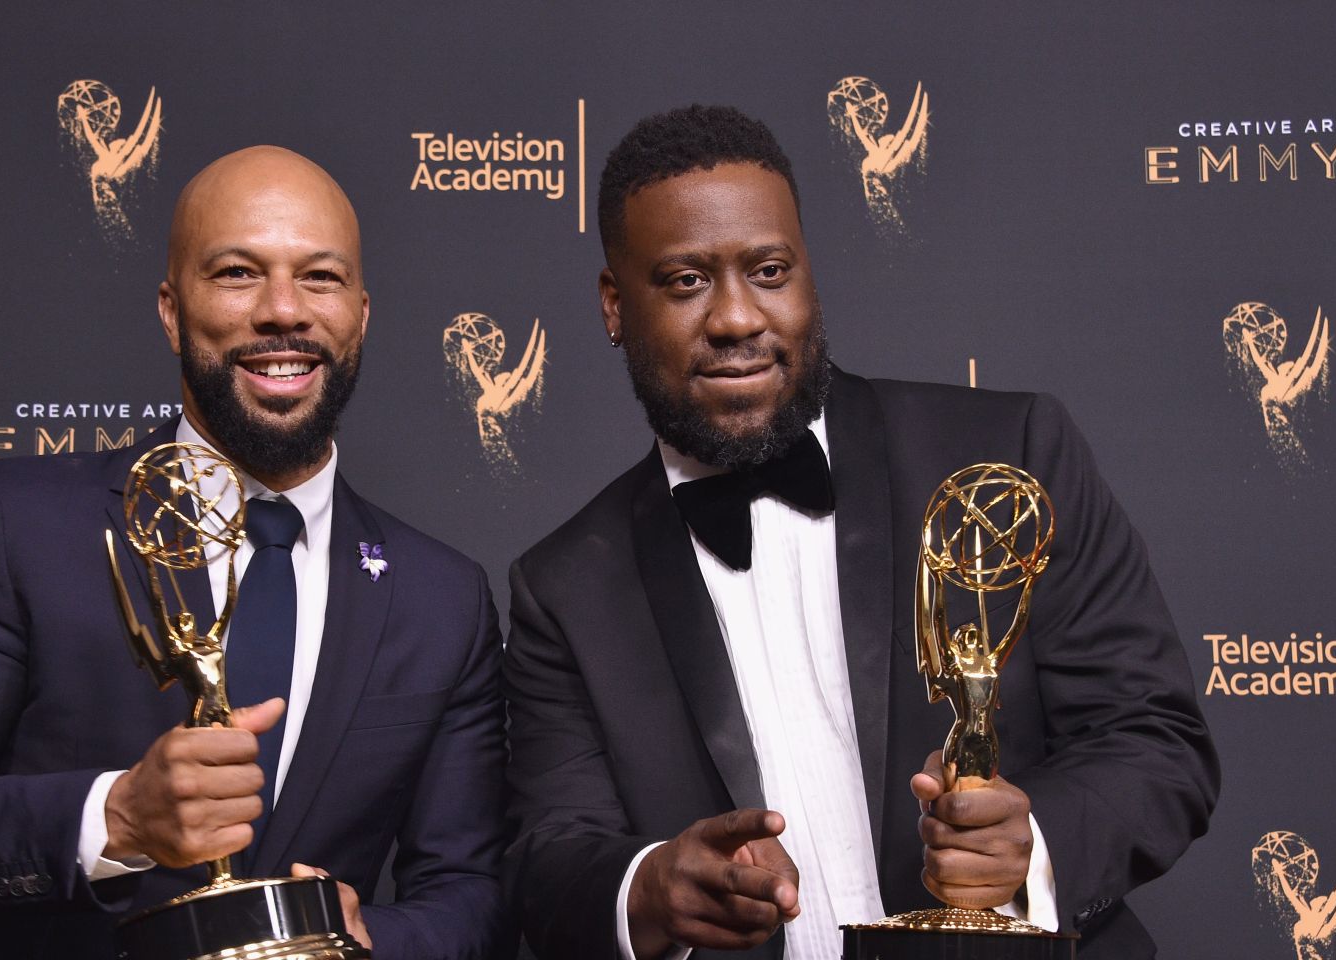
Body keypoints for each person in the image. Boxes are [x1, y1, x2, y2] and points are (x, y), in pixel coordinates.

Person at [502, 106, 1219, 960]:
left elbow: (1156, 740)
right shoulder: (565, 587)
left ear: (808, 273)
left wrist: (1037, 847)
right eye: (687, 281)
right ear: (615, 306)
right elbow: (550, 859)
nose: (737, 317)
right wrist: (650, 887)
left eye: (769, 270)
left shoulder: (1007, 457)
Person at [0, 146, 508, 960]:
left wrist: (372, 938)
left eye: (320, 277)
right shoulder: (17, 527)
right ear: (172, 310)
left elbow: (472, 892)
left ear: (361, 314)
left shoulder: (441, 597)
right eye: (238, 273)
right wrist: (116, 817)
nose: (285, 311)